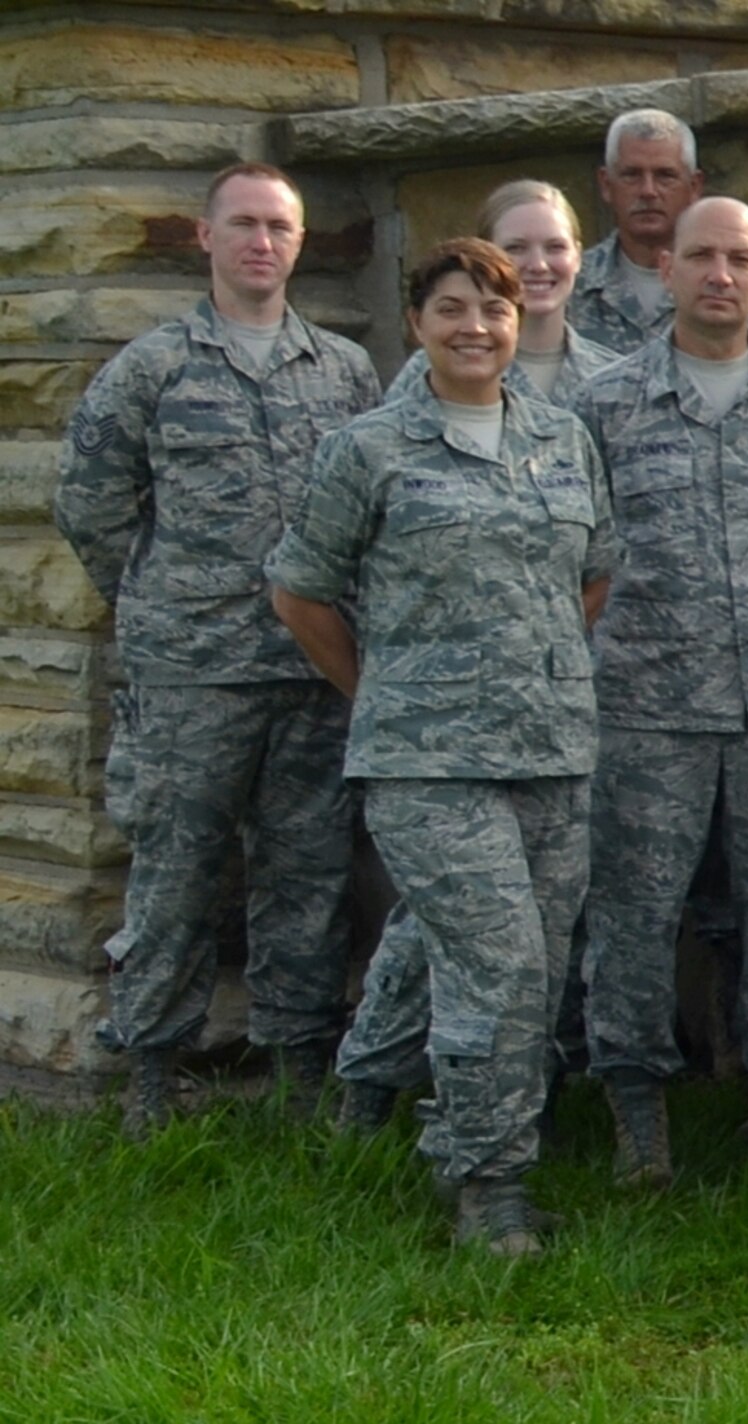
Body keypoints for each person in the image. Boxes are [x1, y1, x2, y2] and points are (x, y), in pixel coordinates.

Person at [267, 238, 617, 1255]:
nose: (476, 327)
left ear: (520, 325)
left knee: (499, 953)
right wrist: (381, 689)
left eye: (495, 310)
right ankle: (486, 1178)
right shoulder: (367, 450)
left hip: (550, 748)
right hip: (423, 756)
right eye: (453, 307)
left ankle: (365, 1086)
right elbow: (300, 588)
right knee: (499, 965)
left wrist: (531, 663)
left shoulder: (559, 437)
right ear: (416, 321)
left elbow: (589, 575)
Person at [54, 162, 381, 1138]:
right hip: (190, 676)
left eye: (278, 226)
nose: (260, 242)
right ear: (205, 237)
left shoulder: (344, 370)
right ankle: (151, 1072)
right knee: (175, 877)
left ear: (296, 241)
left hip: (311, 674)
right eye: (242, 223)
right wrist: (161, 600)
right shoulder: (152, 369)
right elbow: (89, 504)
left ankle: (298, 1070)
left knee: (308, 877)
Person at [569, 197, 748, 1184]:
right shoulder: (601, 405)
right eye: (700, 256)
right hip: (646, 703)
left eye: (741, 258)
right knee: (634, 914)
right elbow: (576, 561)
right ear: (665, 273)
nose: (720, 275)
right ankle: (636, 1115)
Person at [570, 108, 748, 355]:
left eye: (665, 176)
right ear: (606, 185)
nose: (648, 191)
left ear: (694, 186)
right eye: (632, 175)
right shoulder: (569, 286)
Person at [385, 180, 617, 406]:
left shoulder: (616, 377)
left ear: (577, 256)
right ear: (484, 256)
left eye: (555, 247)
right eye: (516, 248)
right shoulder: (428, 372)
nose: (538, 265)